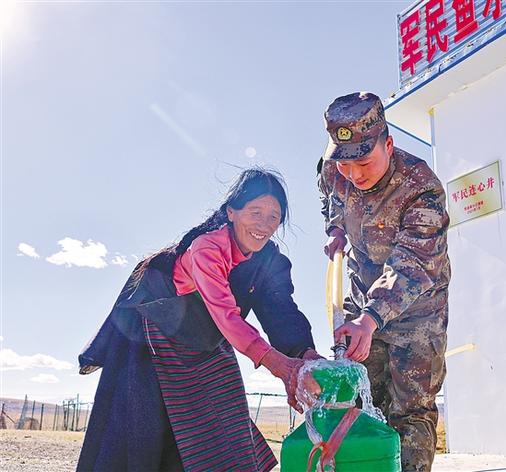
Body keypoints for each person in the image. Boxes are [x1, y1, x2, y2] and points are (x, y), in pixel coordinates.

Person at [77, 168, 321, 472]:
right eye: (255, 212)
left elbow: (281, 308)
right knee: (148, 438)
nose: (264, 224)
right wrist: (281, 367)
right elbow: (226, 316)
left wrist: (304, 356)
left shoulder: (268, 260)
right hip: (156, 341)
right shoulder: (207, 248)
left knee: (227, 430)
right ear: (231, 212)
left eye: (274, 217)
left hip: (206, 340)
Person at [317, 92, 451, 472]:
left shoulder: (421, 188)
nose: (354, 175)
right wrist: (336, 228)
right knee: (361, 404)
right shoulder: (334, 169)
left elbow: (413, 264)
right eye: (344, 164)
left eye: (363, 162)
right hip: (362, 303)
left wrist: (371, 318)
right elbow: (330, 196)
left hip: (417, 312)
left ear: (388, 145)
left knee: (411, 411)